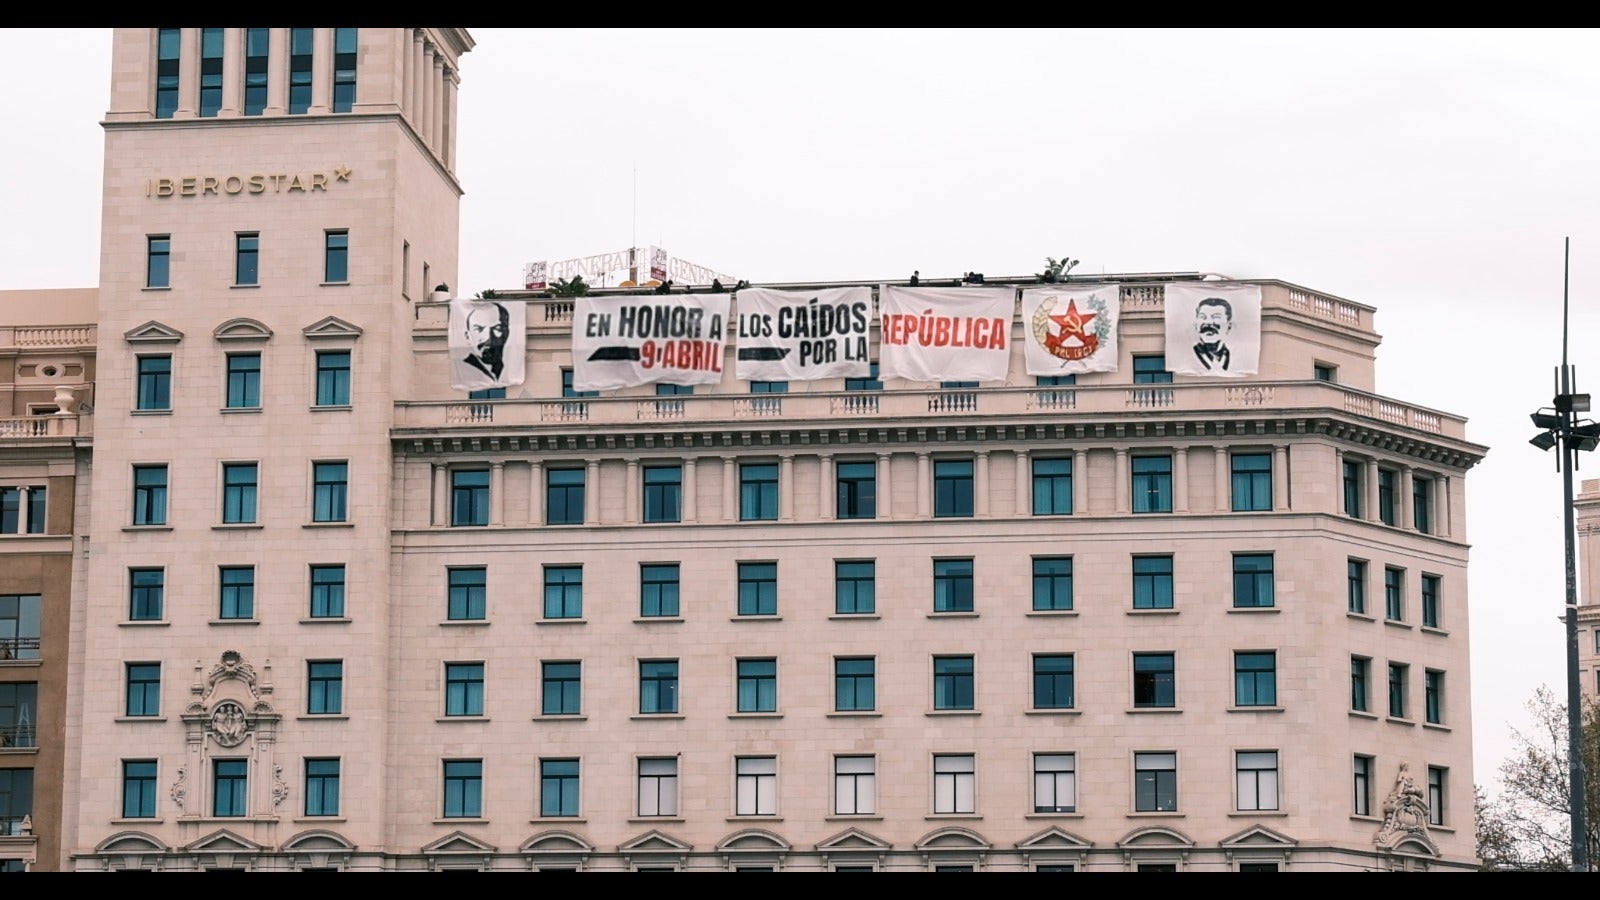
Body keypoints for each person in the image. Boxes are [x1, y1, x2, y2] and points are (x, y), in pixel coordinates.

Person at [462, 302, 510, 381]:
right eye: (479, 329)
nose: (488, 338)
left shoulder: (512, 370)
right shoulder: (463, 370)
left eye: (497, 328)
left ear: (506, 333)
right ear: (468, 337)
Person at [1191, 296, 1233, 371]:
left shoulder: (1232, 355)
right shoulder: (1188, 355)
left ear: (1229, 326)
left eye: (1216, 317)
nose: (1208, 322)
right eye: (1203, 317)